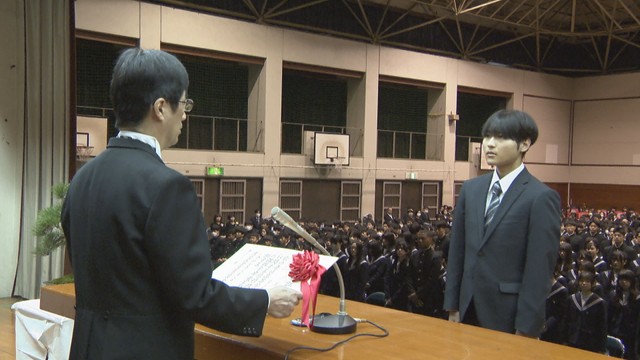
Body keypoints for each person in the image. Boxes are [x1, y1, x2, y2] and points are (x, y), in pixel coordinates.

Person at [61, 48, 301, 359]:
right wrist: (266, 301)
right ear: (160, 108)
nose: (185, 115)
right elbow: (195, 296)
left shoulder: (82, 179)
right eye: (183, 104)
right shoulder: (167, 186)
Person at [443, 109, 561, 338]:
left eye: (500, 137)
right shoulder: (471, 189)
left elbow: (539, 269)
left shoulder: (540, 197)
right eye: (487, 137)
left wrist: (526, 327)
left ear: (524, 144)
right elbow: (458, 251)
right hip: (466, 308)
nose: (489, 144)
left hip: (508, 315)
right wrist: (452, 305)